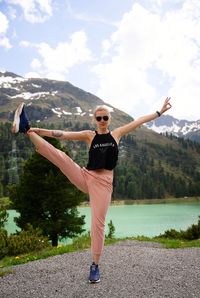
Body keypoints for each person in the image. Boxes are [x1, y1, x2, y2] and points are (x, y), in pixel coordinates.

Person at [12, 97, 172, 283]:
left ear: (109, 119)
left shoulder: (117, 134)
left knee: (98, 224)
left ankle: (95, 266)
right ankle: (26, 129)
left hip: (103, 184)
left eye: (105, 118)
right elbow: (62, 134)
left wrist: (159, 112)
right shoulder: (90, 135)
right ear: (94, 120)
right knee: (61, 157)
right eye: (99, 118)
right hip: (86, 176)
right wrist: (38, 130)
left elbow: (138, 121)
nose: (102, 121)